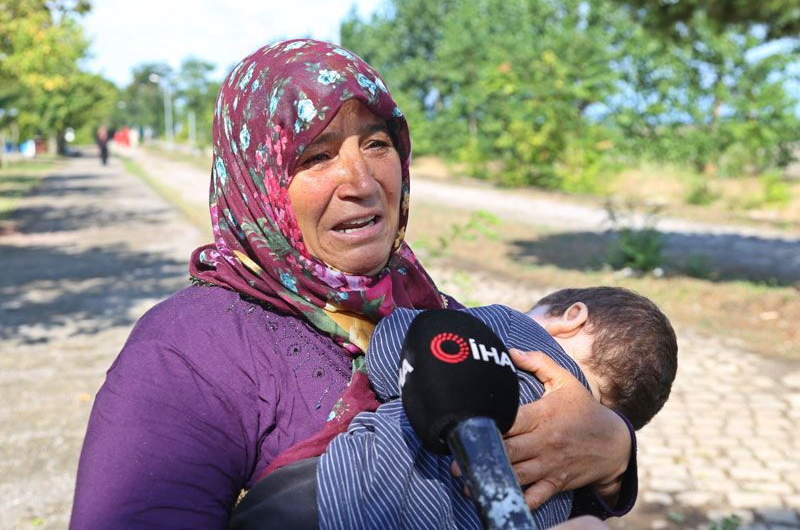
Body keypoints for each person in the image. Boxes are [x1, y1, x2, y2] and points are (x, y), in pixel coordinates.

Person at [70, 39, 636, 529]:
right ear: (257, 181)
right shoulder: (186, 352)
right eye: (315, 156)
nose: (361, 181)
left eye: (376, 143)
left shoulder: (432, 311)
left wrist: (613, 451)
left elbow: (552, 482)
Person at [230, 287, 677, 529]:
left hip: (340, 499)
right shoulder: (574, 474)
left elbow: (396, 353)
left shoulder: (512, 330)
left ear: (572, 315)